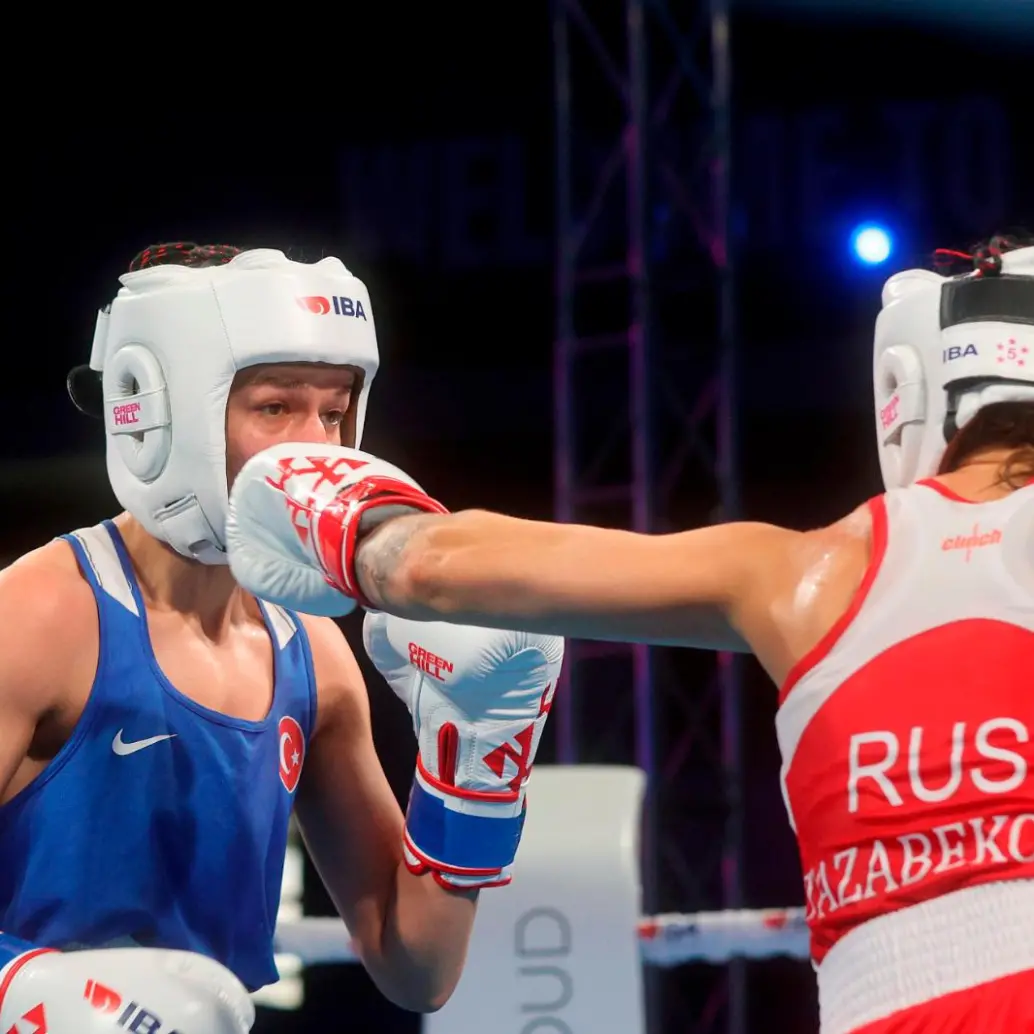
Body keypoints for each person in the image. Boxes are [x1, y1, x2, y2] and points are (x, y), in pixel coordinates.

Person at [227, 233, 1034, 1034]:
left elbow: (420, 567)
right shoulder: (798, 572)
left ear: (912, 384)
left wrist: (330, 507)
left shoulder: (801, 574)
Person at [0, 243, 563, 1033]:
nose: (316, 451)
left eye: (333, 413)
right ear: (156, 412)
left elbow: (416, 969)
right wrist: (22, 992)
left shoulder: (315, 656)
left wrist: (475, 768)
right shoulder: (40, 616)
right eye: (274, 408)